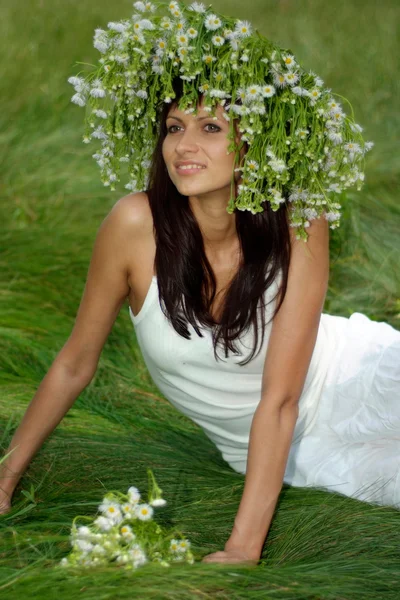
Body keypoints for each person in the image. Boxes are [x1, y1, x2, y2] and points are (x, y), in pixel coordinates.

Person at [1, 1, 399, 566]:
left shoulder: (299, 224)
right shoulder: (133, 228)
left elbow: (280, 399)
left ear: (254, 140)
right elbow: (75, 363)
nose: (184, 146)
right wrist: (5, 475)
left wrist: (241, 549)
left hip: (357, 374)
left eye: (211, 127)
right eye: (174, 127)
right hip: (282, 452)